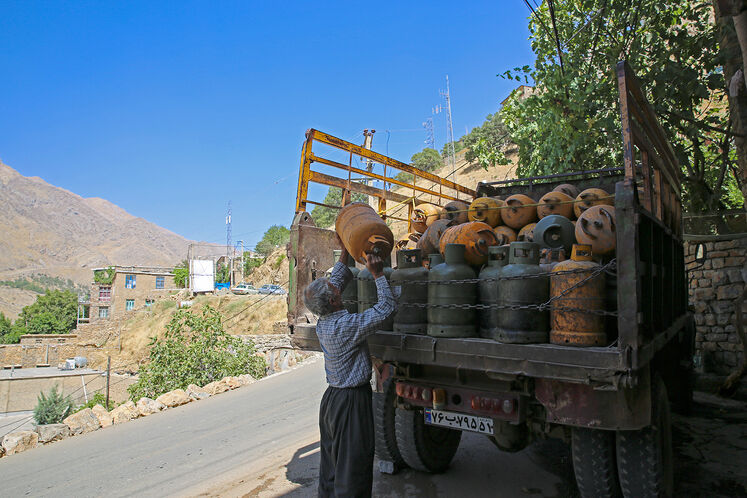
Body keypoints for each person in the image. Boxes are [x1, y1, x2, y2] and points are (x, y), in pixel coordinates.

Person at [303, 239, 396, 498]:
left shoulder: (324, 321)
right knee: (353, 467)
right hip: (351, 402)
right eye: (335, 288)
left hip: (332, 400)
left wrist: (347, 246)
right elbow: (386, 308)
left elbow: (340, 278)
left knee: (332, 466)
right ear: (334, 300)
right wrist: (377, 275)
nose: (338, 287)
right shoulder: (346, 327)